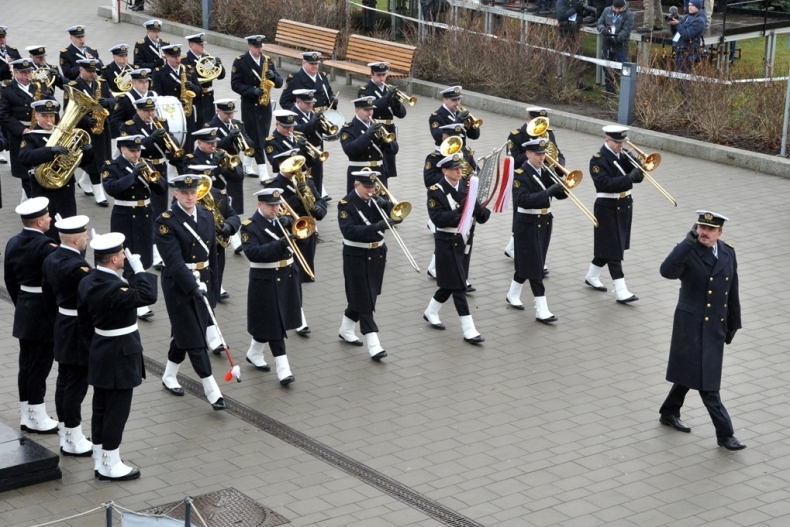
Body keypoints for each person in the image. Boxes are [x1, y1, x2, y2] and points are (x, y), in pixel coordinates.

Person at [658, 211, 744, 451]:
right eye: (701, 227)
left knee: (690, 371)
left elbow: (732, 291)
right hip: (690, 325)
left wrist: (733, 323)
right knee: (708, 384)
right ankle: (725, 435)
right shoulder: (688, 250)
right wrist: (686, 243)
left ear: (720, 233)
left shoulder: (728, 252)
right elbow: (666, 271)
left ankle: (669, 411)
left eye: (710, 229)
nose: (704, 233)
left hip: (715, 326)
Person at [78, 232, 158, 480]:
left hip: (101, 348)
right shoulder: (115, 287)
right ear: (114, 259)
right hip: (120, 354)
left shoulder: (89, 280)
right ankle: (111, 463)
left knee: (101, 406)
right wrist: (140, 270)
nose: (125, 256)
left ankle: (100, 457)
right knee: (117, 410)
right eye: (122, 253)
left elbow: (83, 321)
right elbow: (148, 295)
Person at [154, 175, 226, 411]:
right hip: (179, 285)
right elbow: (173, 262)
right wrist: (192, 288)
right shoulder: (166, 222)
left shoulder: (205, 215)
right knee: (195, 338)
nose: (189, 196)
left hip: (204, 281)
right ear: (176, 194)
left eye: (192, 192)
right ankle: (211, 389)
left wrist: (213, 287)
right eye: (184, 192)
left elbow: (212, 255)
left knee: (184, 333)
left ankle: (168, 375)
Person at [422, 154, 490, 343]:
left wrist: (482, 212)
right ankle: (469, 329)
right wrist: (460, 210)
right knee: (459, 286)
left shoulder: (467, 187)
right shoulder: (436, 191)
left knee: (449, 284)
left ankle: (431, 311)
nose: (460, 172)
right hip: (445, 241)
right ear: (444, 171)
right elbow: (438, 219)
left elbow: (478, 212)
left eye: (460, 168)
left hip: (463, 240)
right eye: (455, 169)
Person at [41, 215, 93, 456]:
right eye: (85, 236)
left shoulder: (51, 258)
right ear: (75, 240)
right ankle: (73, 436)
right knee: (76, 385)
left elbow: (47, 295)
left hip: (62, 323)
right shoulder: (79, 267)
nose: (88, 239)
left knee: (64, 381)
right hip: (78, 328)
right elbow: (91, 300)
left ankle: (66, 432)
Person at [5, 197, 59, 434]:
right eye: (47, 216)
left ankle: (27, 413)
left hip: (25, 309)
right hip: (43, 313)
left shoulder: (13, 242)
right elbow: (57, 278)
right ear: (39, 221)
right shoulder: (46, 247)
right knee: (39, 366)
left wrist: (21, 302)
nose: (50, 219)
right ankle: (37, 415)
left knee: (25, 364)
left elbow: (9, 279)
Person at [102, 135, 168, 319]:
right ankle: (138, 301)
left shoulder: (145, 163)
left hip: (145, 215)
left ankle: (121, 286)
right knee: (129, 257)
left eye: (138, 150)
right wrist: (132, 176)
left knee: (144, 256)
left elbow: (162, 189)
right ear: (122, 149)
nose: (136, 154)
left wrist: (154, 179)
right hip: (124, 216)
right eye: (133, 150)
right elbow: (112, 188)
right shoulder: (112, 166)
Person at [241, 188, 301, 385]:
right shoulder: (249, 227)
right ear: (260, 205)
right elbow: (254, 253)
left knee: (268, 321)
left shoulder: (281, 220)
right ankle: (283, 369)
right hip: (265, 280)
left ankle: (254, 353)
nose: (276, 209)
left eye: (277, 204)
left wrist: (291, 225)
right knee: (276, 324)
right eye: (271, 205)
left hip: (286, 276)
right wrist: (280, 243)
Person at [505, 139, 567, 322]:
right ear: (528, 154)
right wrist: (548, 192)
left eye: (543, 154)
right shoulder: (520, 174)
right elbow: (523, 200)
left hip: (544, 221)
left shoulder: (545, 171)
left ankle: (512, 294)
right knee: (536, 266)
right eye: (538, 154)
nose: (542, 158)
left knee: (529, 262)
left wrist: (563, 186)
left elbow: (560, 194)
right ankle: (541, 309)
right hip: (526, 223)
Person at [337, 170, 396, 361]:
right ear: (356, 185)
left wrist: (389, 208)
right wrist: (377, 226)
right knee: (364, 298)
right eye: (367, 187)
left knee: (368, 293)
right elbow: (349, 231)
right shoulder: (346, 204)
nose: (371, 190)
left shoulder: (377, 200)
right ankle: (374, 344)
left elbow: (397, 214)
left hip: (377, 253)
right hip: (356, 254)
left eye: (373, 186)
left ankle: (346, 329)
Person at [20, 99, 94, 241]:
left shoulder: (65, 135)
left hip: (65, 188)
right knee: (47, 227)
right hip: (43, 189)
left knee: (68, 222)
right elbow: (24, 157)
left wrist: (88, 153)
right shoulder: (31, 137)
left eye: (51, 116)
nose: (49, 119)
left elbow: (79, 162)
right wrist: (50, 151)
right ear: (36, 116)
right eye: (44, 116)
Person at [584, 125, 643, 302]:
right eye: (617, 142)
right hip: (607, 206)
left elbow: (638, 177)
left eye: (622, 141)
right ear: (607, 140)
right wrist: (629, 178)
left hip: (624, 204)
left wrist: (639, 169)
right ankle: (621, 290)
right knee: (614, 248)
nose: (620, 145)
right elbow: (605, 184)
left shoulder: (623, 155)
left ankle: (592, 276)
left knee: (611, 245)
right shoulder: (598, 160)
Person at [119, 96, 178, 268]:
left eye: (152, 110)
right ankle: (152, 252)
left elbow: (171, 145)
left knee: (160, 210)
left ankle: (159, 249)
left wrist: (169, 138)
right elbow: (126, 147)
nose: (150, 114)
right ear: (138, 110)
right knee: (148, 211)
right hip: (142, 168)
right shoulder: (128, 126)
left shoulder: (161, 122)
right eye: (146, 111)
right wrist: (151, 138)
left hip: (159, 168)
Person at [504, 107, 564, 261]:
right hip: (524, 178)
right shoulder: (517, 135)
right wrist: (533, 155)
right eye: (538, 122)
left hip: (543, 177)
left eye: (544, 122)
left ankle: (516, 248)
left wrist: (559, 167)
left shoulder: (548, 133)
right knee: (523, 213)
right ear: (529, 119)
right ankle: (521, 250)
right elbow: (513, 160)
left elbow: (558, 153)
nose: (541, 126)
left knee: (540, 212)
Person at [263, 149, 327, 290]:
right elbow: (273, 212)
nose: (295, 170)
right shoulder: (273, 187)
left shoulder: (306, 181)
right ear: (281, 165)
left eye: (296, 166)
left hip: (307, 232)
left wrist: (319, 208)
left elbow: (319, 200)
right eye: (290, 166)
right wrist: (296, 199)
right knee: (289, 275)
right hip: (288, 233)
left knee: (303, 274)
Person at [231, 35, 283, 183]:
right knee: (259, 139)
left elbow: (279, 83)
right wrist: (251, 91)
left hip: (265, 106)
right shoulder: (240, 62)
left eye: (261, 47)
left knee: (260, 136)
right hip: (250, 106)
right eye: (256, 47)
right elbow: (235, 84)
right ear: (250, 46)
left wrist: (273, 77)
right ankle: (263, 172)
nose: (260, 49)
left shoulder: (267, 60)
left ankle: (247, 165)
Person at [65, 58, 115, 208]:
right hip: (86, 131)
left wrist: (109, 102)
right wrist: (86, 120)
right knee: (93, 160)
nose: (92, 74)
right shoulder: (74, 86)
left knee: (103, 157)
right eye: (89, 71)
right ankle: (99, 191)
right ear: (81, 70)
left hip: (102, 128)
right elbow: (68, 109)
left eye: (94, 71)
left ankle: (84, 181)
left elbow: (114, 99)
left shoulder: (102, 83)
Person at [0, 58, 45, 200]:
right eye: (23, 73)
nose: (27, 75)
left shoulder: (39, 86)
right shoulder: (6, 90)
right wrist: (21, 129)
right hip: (20, 134)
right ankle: (33, 203)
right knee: (25, 171)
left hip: (39, 130)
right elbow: (3, 114)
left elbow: (51, 103)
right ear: (15, 73)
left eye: (29, 72)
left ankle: (27, 200)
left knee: (39, 166)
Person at [358, 62, 407, 182]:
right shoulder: (365, 91)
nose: (382, 78)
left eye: (384, 75)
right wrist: (386, 98)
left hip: (389, 128)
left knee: (389, 161)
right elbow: (372, 108)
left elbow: (402, 114)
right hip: (376, 127)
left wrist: (396, 103)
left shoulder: (388, 89)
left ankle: (384, 184)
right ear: (372, 74)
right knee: (378, 159)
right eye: (379, 75)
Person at [340, 96, 400, 193]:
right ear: (357, 110)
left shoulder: (377, 126)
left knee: (382, 204)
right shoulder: (348, 129)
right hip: (359, 172)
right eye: (366, 110)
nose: (370, 112)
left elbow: (394, 150)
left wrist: (387, 142)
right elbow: (350, 150)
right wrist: (367, 135)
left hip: (379, 172)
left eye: (371, 109)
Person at [153, 44, 200, 153]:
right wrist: (177, 102)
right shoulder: (159, 72)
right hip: (171, 113)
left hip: (188, 113)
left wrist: (193, 87)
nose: (177, 59)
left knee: (189, 144)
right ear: (167, 57)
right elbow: (157, 95)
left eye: (178, 56)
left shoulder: (188, 70)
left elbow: (199, 90)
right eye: (174, 57)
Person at [290, 89, 328, 199]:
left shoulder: (312, 113)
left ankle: (319, 200)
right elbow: (298, 129)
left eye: (312, 102)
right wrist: (312, 123)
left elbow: (321, 131)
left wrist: (327, 128)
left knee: (318, 179)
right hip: (303, 154)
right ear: (298, 101)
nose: (311, 105)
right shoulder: (292, 115)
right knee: (306, 182)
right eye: (307, 103)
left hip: (316, 153)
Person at [183, 33, 225, 124]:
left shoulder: (207, 58)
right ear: (191, 45)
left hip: (208, 96)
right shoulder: (184, 60)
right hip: (195, 97)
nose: (203, 46)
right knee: (197, 123)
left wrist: (219, 65)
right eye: (200, 44)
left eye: (203, 44)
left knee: (209, 123)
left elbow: (221, 76)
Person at [598, 0, 634, 95]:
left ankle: (626, 93)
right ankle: (610, 91)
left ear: (624, 7)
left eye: (619, 9)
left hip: (620, 46)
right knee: (607, 68)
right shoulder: (607, 10)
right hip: (607, 44)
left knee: (625, 69)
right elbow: (600, 22)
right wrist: (603, 30)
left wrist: (616, 39)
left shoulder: (628, 15)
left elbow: (626, 30)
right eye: (615, 8)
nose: (617, 10)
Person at [110, 68, 158, 138]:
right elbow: (115, 122)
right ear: (133, 83)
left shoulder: (153, 96)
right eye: (141, 82)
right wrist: (129, 129)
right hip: (134, 139)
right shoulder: (125, 99)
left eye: (146, 81)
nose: (145, 84)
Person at [671, 0, 706, 72]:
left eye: (692, 5)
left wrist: (677, 24)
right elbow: (675, 32)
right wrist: (672, 24)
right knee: (678, 75)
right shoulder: (687, 16)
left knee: (685, 76)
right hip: (679, 49)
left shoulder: (700, 21)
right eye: (689, 5)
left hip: (688, 52)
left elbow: (686, 35)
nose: (690, 7)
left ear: (698, 6)